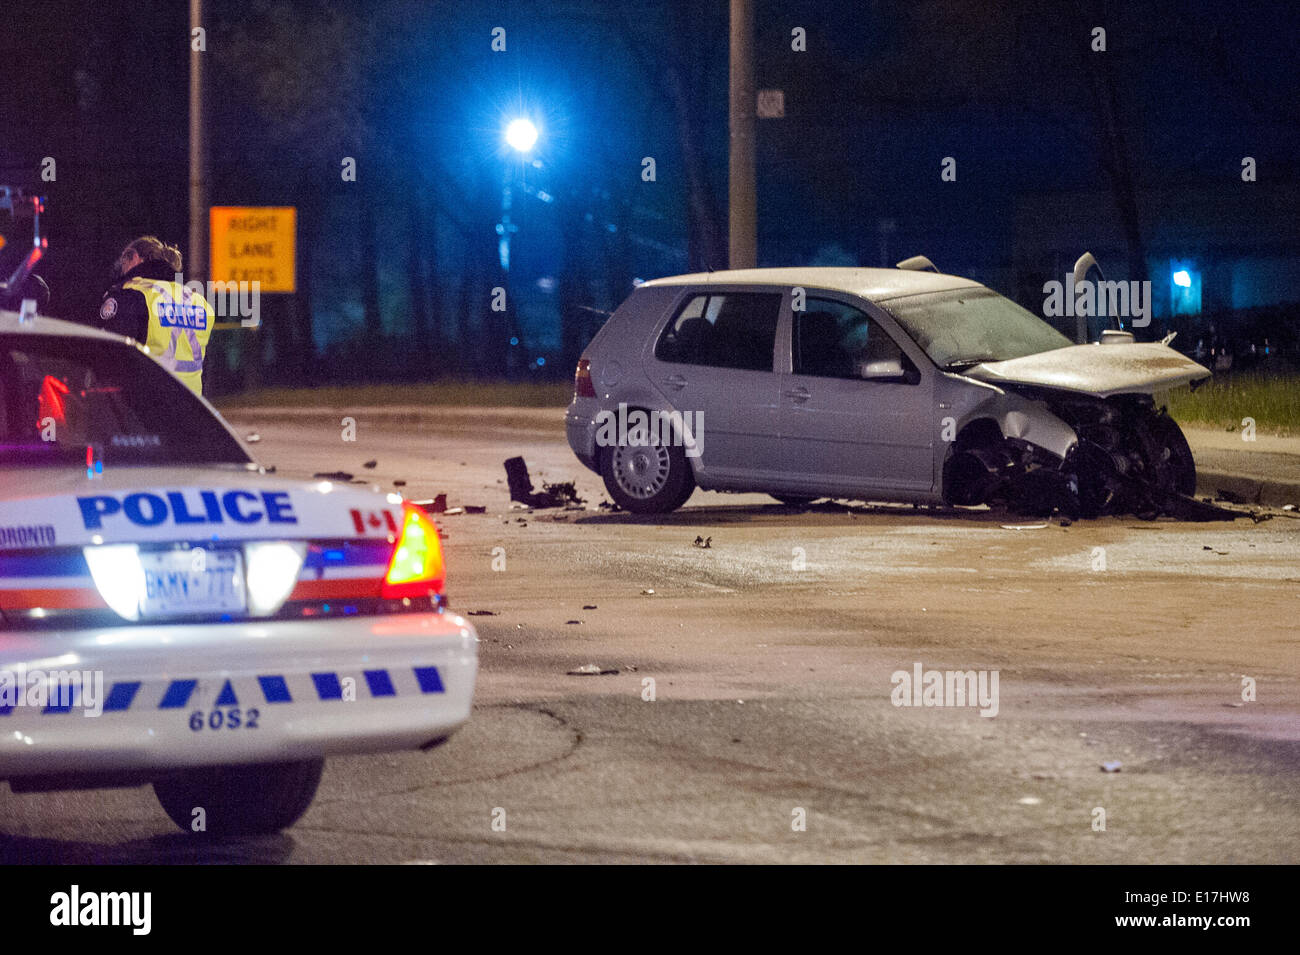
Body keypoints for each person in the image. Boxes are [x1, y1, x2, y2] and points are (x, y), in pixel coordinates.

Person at [97, 236, 214, 396]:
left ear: (135, 257)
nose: (122, 268)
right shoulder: (198, 301)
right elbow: (204, 364)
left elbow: (112, 357)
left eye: (124, 260)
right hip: (191, 402)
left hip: (147, 402)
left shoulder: (131, 296)